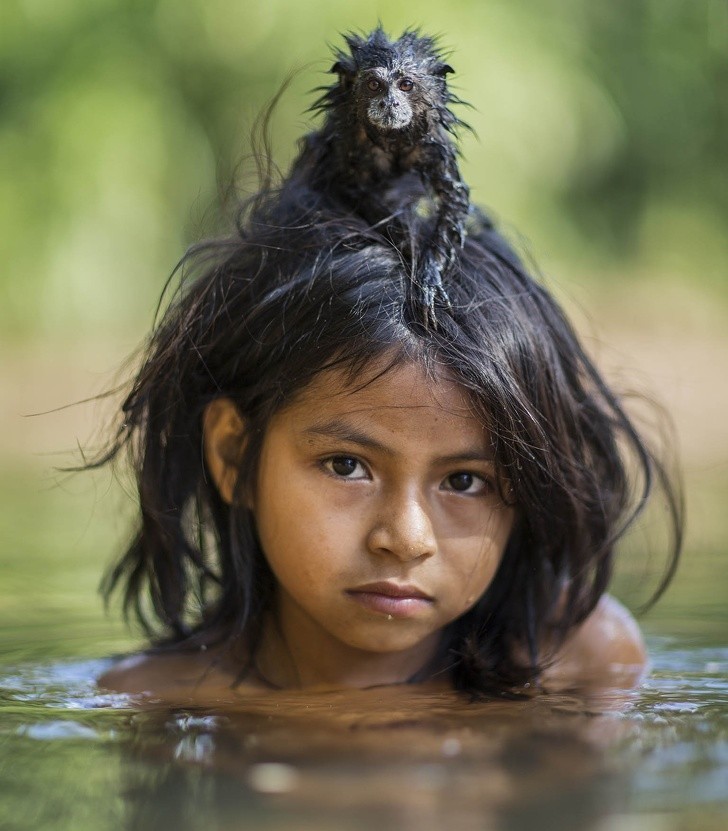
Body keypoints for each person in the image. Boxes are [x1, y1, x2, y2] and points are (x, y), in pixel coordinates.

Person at [96, 39, 681, 702]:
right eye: (348, 465)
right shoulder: (159, 700)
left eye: (465, 480)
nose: (405, 538)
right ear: (235, 454)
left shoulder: (579, 667)